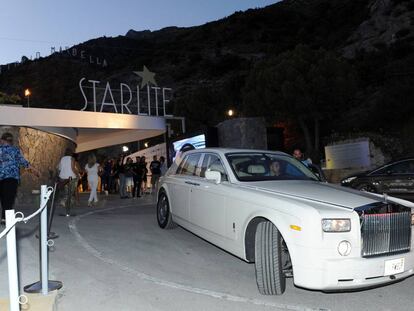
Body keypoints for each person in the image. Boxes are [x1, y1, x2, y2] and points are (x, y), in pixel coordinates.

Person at [0, 132, 39, 224]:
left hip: (1, 178)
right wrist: (35, 170)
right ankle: (5, 219)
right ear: (10, 141)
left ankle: (3, 218)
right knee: (9, 199)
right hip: (12, 179)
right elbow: (24, 162)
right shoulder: (15, 150)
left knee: (3, 198)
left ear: (2, 140)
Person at [58, 148, 80, 215]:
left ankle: (65, 203)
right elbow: (73, 168)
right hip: (71, 177)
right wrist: (77, 175)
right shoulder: (72, 158)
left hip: (63, 177)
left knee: (67, 191)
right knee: (71, 192)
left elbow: (59, 168)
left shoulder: (62, 159)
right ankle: (64, 201)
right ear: (71, 153)